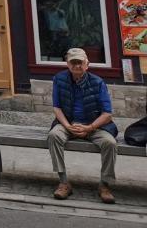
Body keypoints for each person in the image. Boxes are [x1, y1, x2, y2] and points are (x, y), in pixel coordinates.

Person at [48, 47, 119, 203]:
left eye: (80, 62)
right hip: (69, 123)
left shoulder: (98, 82)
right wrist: (67, 126)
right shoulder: (59, 79)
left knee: (110, 143)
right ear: (68, 64)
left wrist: (89, 128)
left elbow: (107, 114)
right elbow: (57, 107)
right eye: (73, 62)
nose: (76, 66)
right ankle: (64, 182)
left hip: (94, 125)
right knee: (53, 135)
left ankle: (104, 184)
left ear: (87, 64)